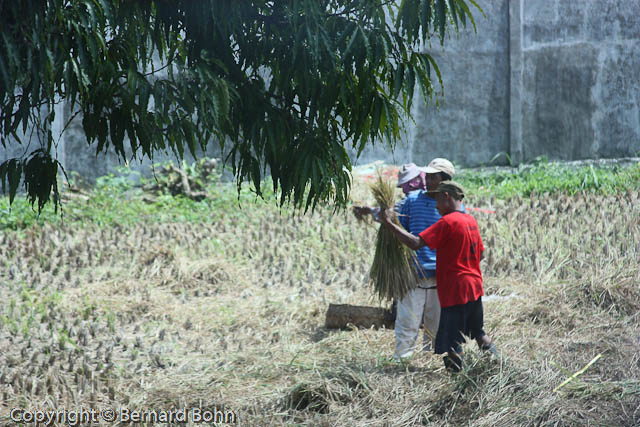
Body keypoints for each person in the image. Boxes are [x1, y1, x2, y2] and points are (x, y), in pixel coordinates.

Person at [378, 180, 499, 372]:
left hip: (455, 288)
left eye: (437, 201)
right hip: (474, 286)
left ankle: (457, 381)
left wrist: (389, 223)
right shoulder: (470, 220)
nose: (435, 206)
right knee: (479, 333)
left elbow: (416, 242)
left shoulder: (447, 222)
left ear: (446, 197)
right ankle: (500, 366)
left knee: (451, 340)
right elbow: (481, 254)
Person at [354, 159, 457, 361]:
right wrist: (375, 212)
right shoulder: (412, 200)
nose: (427, 180)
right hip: (413, 276)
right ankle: (401, 363)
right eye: (426, 176)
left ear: (445, 181)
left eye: (433, 177)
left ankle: (434, 366)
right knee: (407, 324)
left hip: (441, 277)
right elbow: (392, 216)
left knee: (437, 326)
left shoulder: (452, 206)